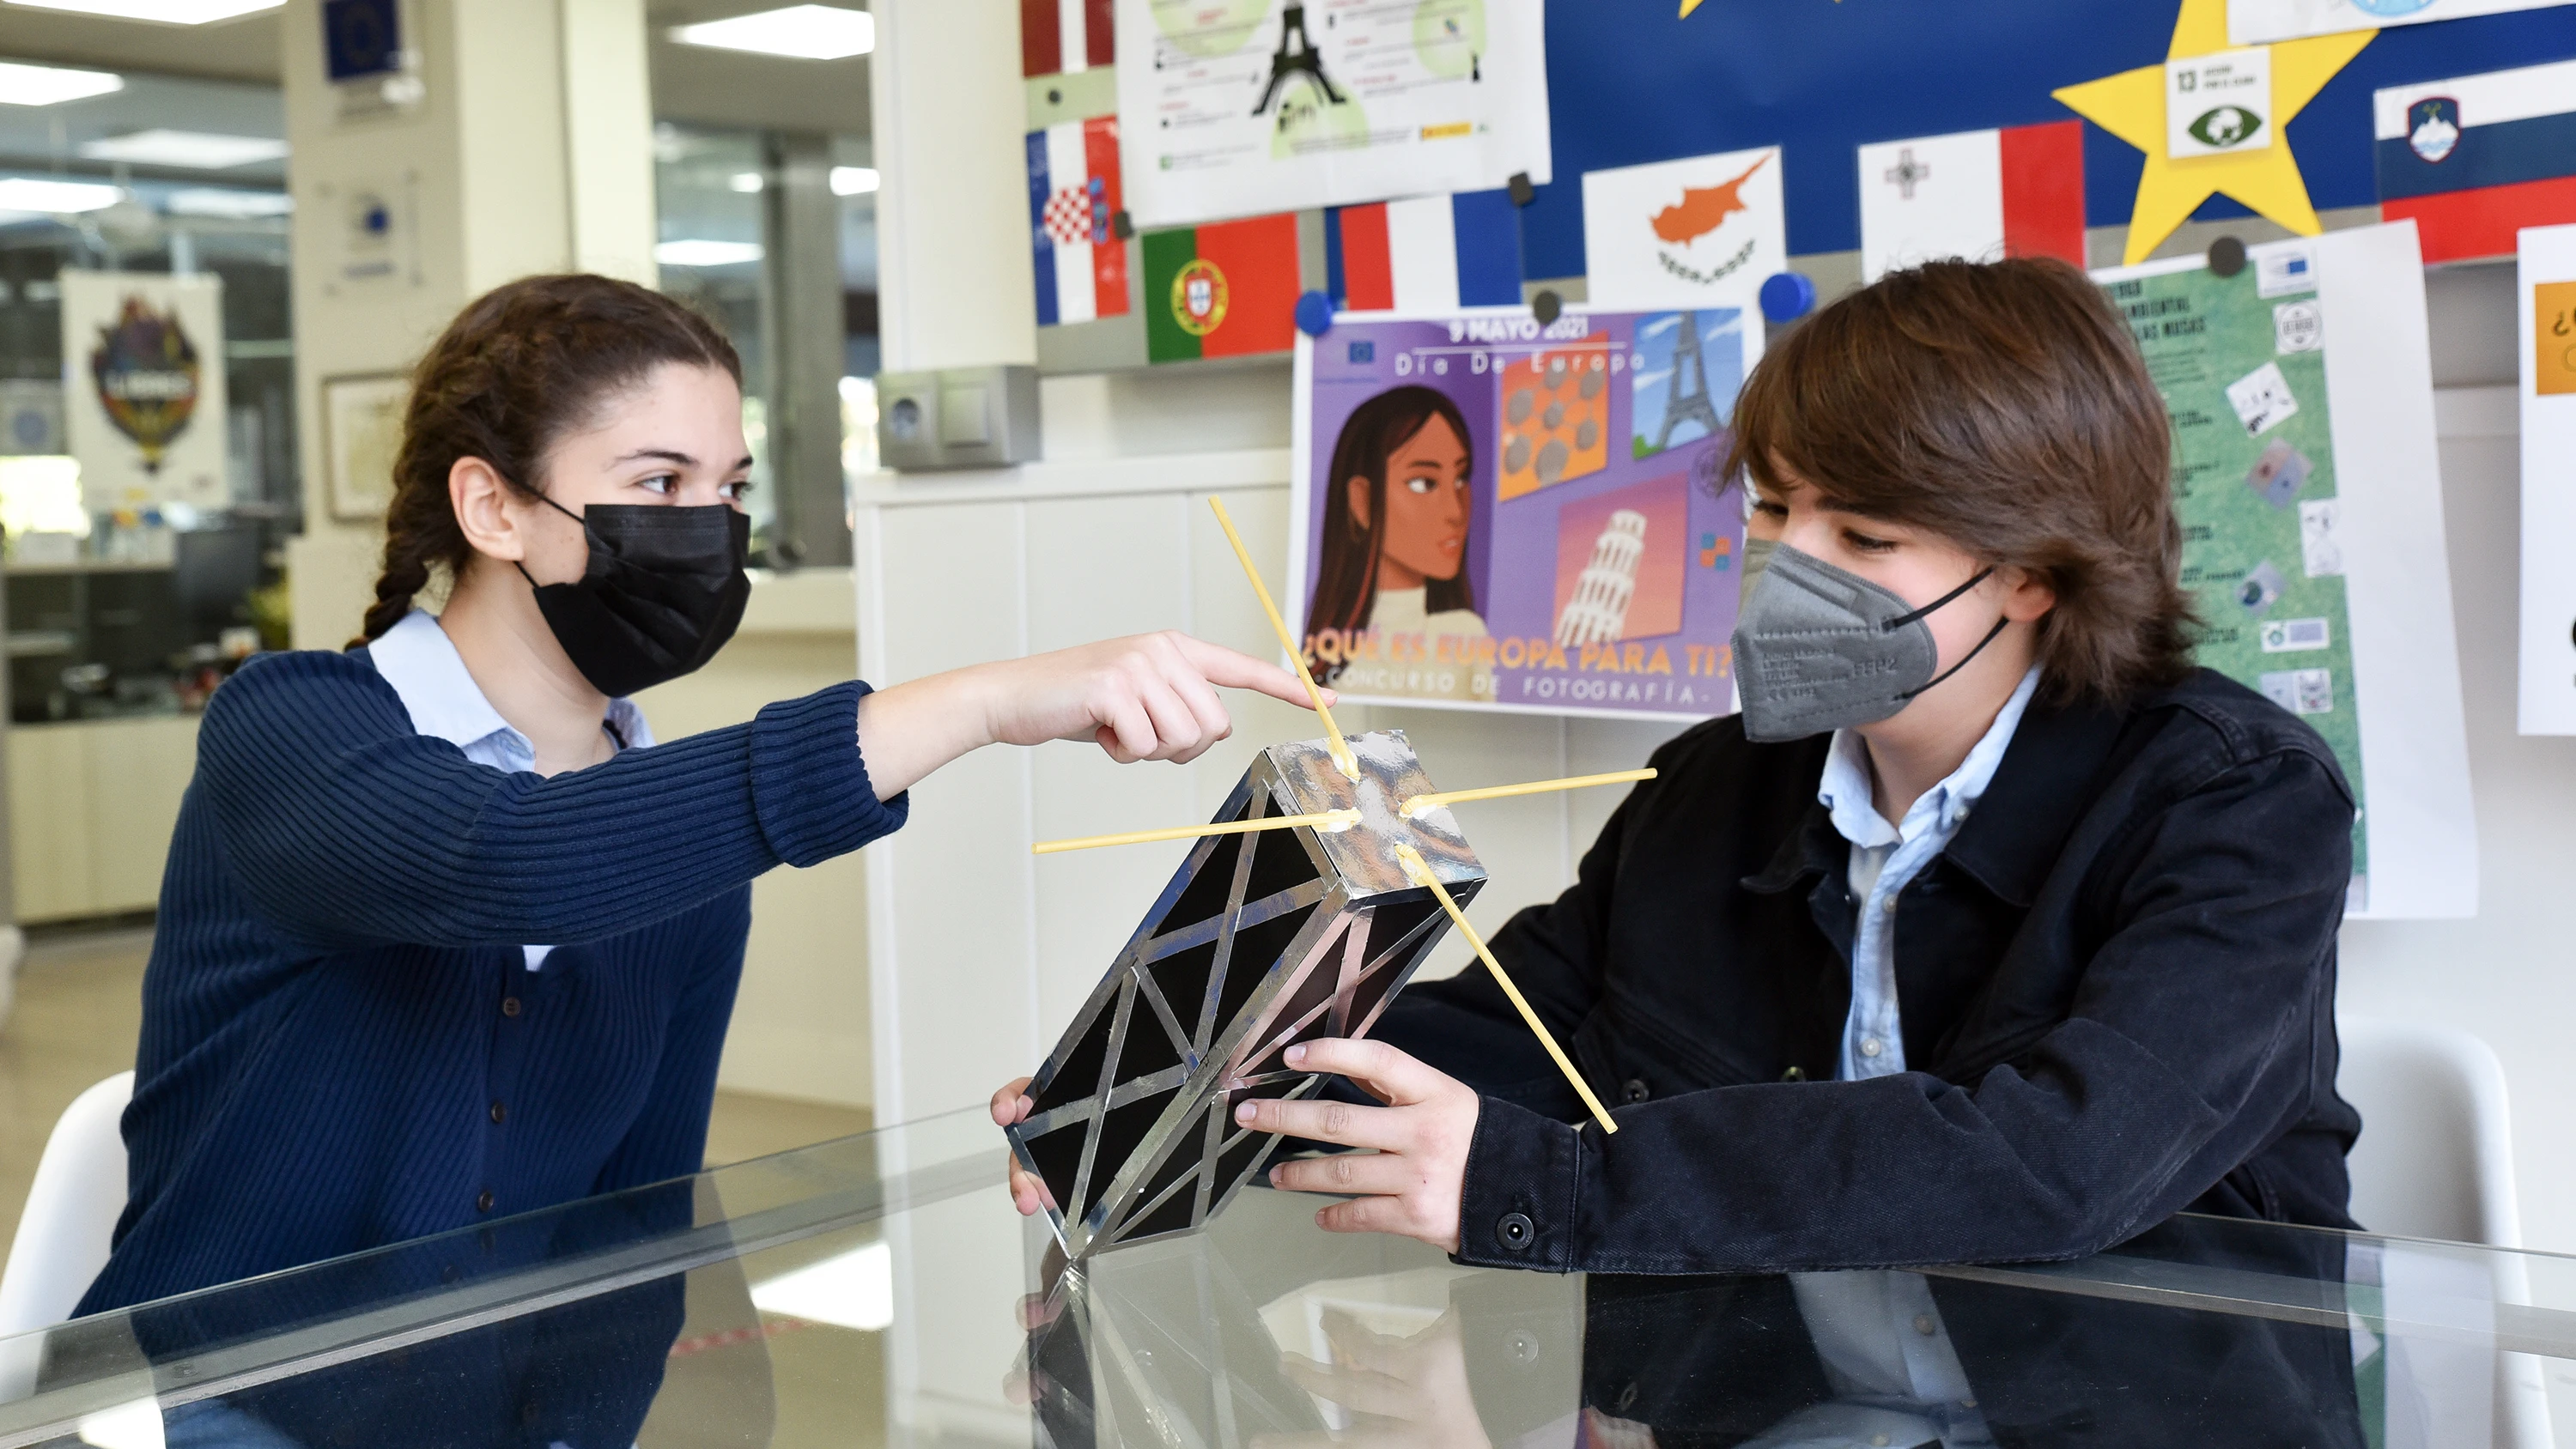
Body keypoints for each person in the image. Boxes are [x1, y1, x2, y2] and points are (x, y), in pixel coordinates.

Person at [997, 257, 2360, 1275]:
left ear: (2033, 576)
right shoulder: (1716, 786)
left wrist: (1555, 1188)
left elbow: (2061, 1164)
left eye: (1867, 537)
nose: (1791, 568)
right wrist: (1176, 1091)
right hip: (1774, 1394)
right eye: (1776, 507)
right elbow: (1524, 1033)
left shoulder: (2238, 802)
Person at [78, 274, 1321, 1317]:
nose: (710, 530)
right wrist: (982, 703)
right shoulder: (289, 725)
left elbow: (632, 1248)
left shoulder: (678, 848)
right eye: (660, 483)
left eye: (729, 491)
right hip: (200, 1411)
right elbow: (509, 860)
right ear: (493, 505)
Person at [1301, 385, 1492, 702]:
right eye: (1423, 483)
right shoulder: (1324, 658)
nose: (1456, 511)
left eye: (1461, 478)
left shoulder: (1465, 634)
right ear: (1361, 500)